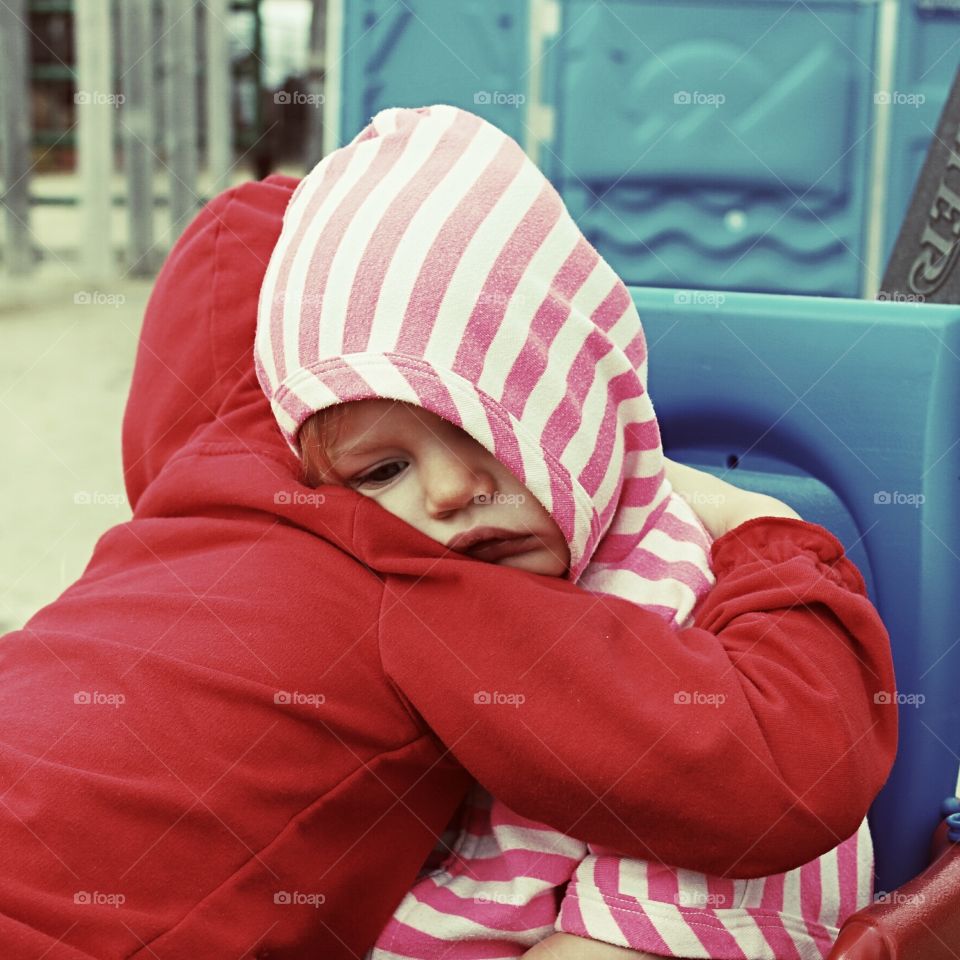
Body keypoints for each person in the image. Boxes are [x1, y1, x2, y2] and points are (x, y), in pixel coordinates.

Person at [0, 121, 892, 960]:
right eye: (382, 470)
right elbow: (777, 768)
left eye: (489, 433)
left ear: (577, 403)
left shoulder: (187, 499)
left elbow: (234, 247)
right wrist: (771, 532)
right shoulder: (412, 584)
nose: (449, 490)